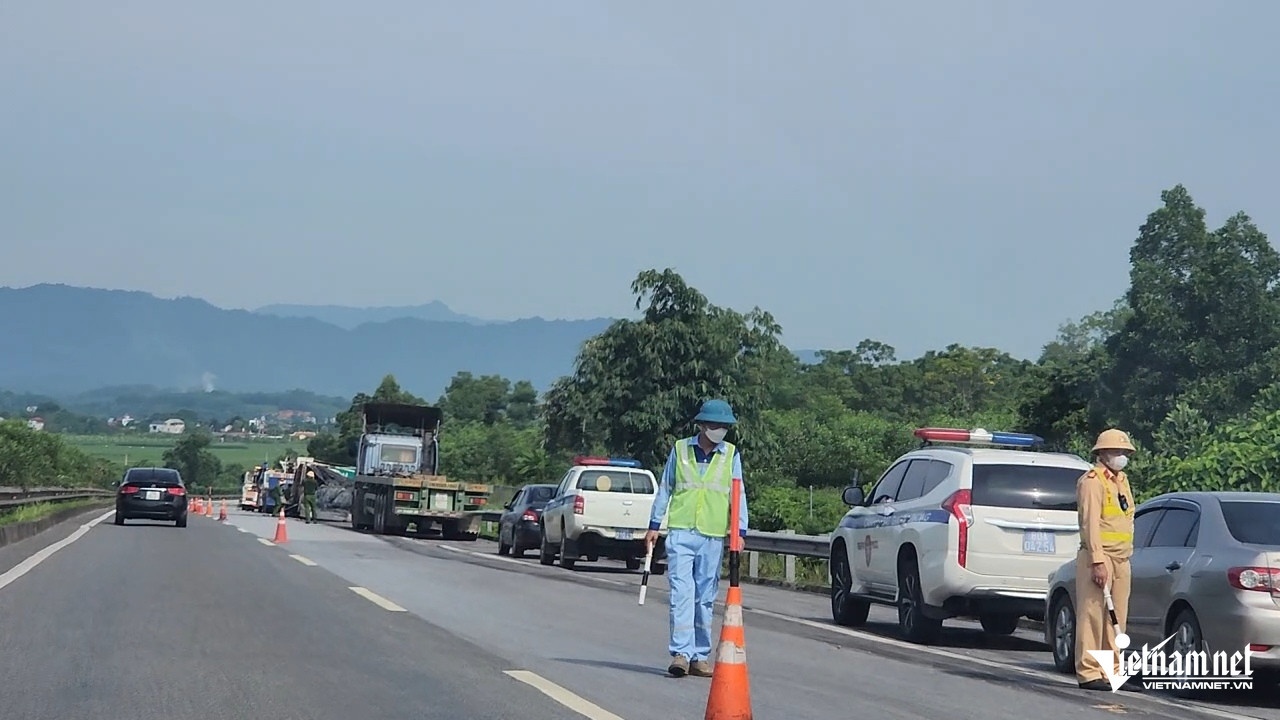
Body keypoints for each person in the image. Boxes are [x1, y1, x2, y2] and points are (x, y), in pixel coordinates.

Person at [644, 399, 749, 678]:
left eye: (724, 426)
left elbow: (738, 495)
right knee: (681, 594)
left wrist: (739, 532)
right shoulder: (681, 449)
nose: (719, 430)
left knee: (704, 598)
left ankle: (699, 657)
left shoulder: (731, 455)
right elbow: (666, 487)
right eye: (715, 425)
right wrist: (654, 525)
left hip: (712, 535)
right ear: (702, 425)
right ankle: (681, 653)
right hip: (681, 531)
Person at [1075, 428, 1140, 692]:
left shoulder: (1121, 480)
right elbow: (1089, 524)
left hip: (1122, 557)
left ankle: (1112, 671)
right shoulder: (1092, 481)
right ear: (1102, 453)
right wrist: (1097, 561)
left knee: (1116, 618)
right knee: (1092, 615)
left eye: (1124, 452)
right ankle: (1089, 671)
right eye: (1116, 451)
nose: (1121, 456)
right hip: (1099, 557)